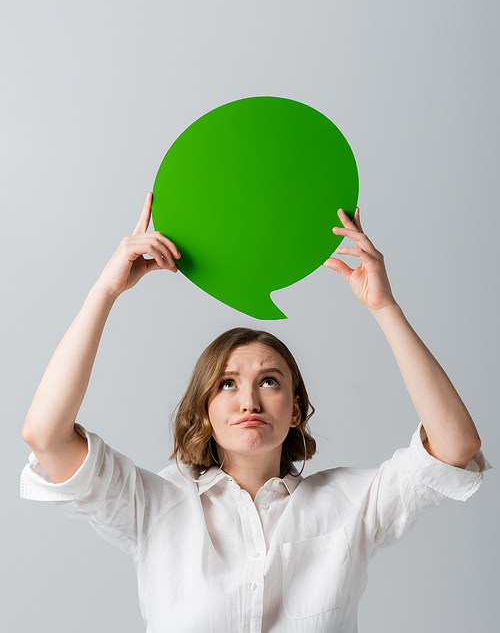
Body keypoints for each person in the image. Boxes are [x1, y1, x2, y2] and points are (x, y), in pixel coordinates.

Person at [21, 192, 489, 632]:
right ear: (204, 411)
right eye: (227, 384)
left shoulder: (351, 504)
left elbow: (455, 447)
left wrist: (385, 307)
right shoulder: (155, 506)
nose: (250, 401)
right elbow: (46, 436)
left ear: (295, 412)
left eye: (269, 381)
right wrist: (105, 291)